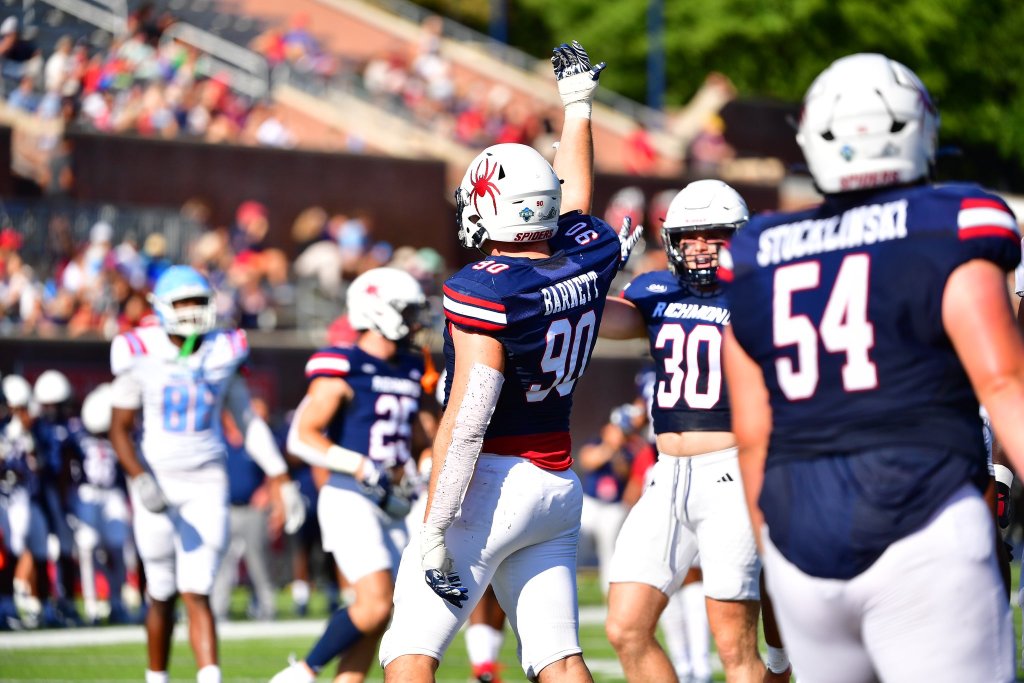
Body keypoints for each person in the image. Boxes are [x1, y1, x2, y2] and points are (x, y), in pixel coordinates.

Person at [720, 53, 1022, 683]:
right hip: (924, 518)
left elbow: (752, 433)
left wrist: (773, 544)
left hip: (800, 541)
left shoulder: (759, 253)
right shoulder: (949, 224)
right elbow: (1003, 383)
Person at [379, 40, 642, 683]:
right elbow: (575, 196)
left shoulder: (488, 287)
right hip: (557, 484)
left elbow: (469, 414)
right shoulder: (585, 251)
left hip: (492, 485)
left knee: (408, 653)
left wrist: (437, 523)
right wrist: (577, 105)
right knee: (556, 658)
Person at [598, 180, 768, 683]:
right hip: (666, 475)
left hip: (732, 472)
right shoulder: (655, 288)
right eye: (689, 237)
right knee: (626, 626)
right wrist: (587, 276)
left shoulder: (760, 292)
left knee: (734, 645)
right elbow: (603, 319)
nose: (698, 247)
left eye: (712, 235)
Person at [108, 265, 304, 683]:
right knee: (160, 590)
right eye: (184, 303)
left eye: (200, 301)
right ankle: (156, 677)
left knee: (197, 586)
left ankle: (209, 678)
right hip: (156, 478)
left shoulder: (223, 350)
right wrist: (140, 478)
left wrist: (279, 474)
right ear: (161, 308)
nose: (195, 311)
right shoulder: (139, 350)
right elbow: (119, 429)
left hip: (206, 479)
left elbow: (247, 420)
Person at [270, 267, 431, 683]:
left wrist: (424, 466)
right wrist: (361, 466)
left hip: (395, 499)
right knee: (375, 602)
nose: (416, 321)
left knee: (385, 609)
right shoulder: (344, 363)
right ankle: (302, 673)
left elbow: (423, 435)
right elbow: (301, 438)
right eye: (408, 310)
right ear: (378, 311)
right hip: (351, 494)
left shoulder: (412, 365)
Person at [74, 382, 133, 625]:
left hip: (112, 493)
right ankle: (91, 604)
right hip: (87, 492)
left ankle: (117, 600)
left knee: (118, 547)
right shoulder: (77, 435)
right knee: (87, 548)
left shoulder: (120, 435)